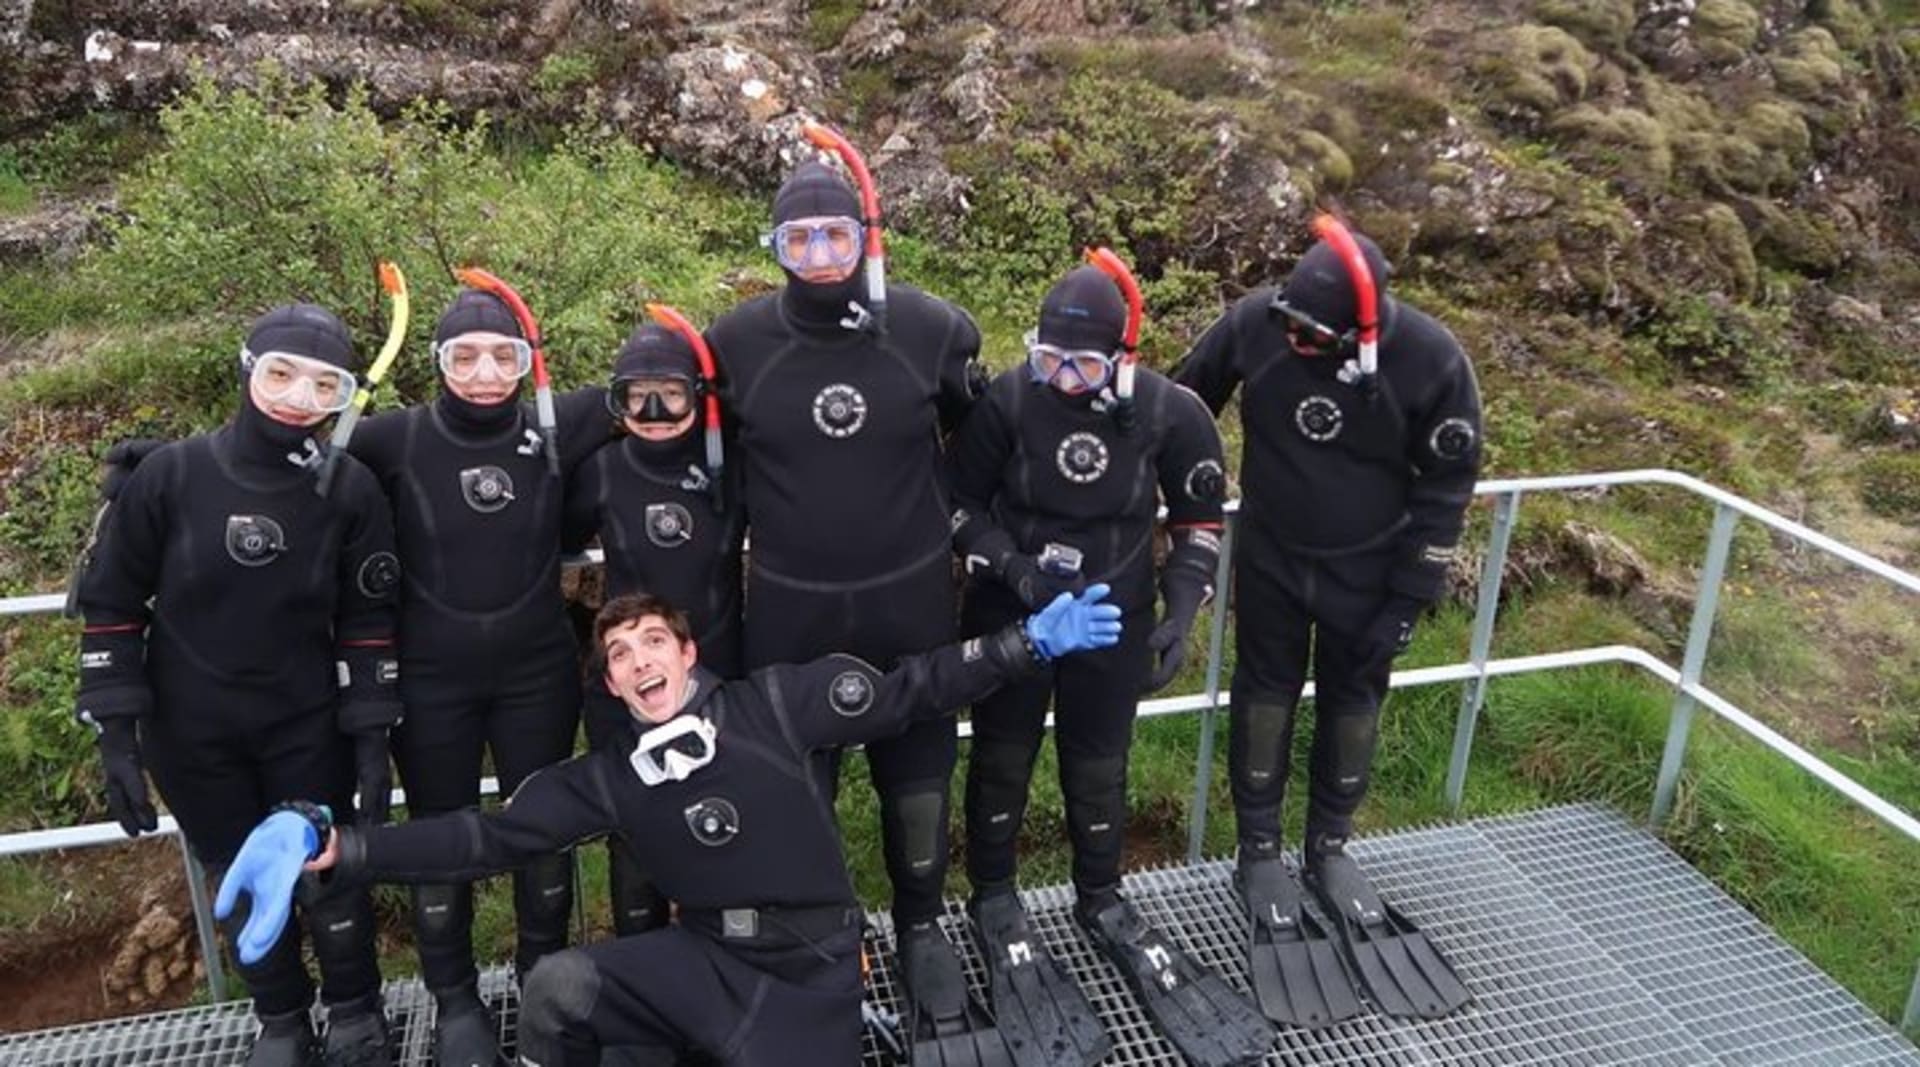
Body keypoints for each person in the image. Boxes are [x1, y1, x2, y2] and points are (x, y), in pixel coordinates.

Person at [215, 586, 1124, 1067]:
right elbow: (483, 838)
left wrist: (1024, 645)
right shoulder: (609, 779)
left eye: (653, 639)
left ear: (688, 654)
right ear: (610, 687)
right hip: (699, 965)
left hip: (806, 972)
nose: (638, 658)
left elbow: (911, 690)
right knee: (558, 987)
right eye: (618, 653)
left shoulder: (775, 704)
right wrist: (335, 839)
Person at [950, 262, 1273, 1067]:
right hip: (1015, 610)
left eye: (1083, 366)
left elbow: (1199, 515)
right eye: (1048, 358)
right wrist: (1016, 572)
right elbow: (957, 503)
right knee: (1000, 756)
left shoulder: (1170, 412)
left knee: (1100, 762)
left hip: (1112, 619)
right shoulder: (1008, 400)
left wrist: (1180, 613)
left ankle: (1101, 894)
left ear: (1121, 360)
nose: (1062, 379)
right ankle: (994, 895)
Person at [703, 156, 991, 1049]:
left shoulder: (929, 327)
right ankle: (821, 933)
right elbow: (669, 427)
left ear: (870, 239)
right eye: (798, 237)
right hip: (790, 608)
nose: (819, 253)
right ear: (773, 246)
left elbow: (976, 426)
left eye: (837, 234)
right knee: (798, 787)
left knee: (918, 777)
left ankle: (919, 924)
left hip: (909, 600)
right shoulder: (735, 341)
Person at [74, 304, 401, 1066]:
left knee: (325, 869)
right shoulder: (171, 475)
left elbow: (368, 619)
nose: (298, 397)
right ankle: (280, 1018)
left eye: (325, 385)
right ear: (247, 367)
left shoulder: (350, 489)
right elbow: (113, 604)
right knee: (240, 872)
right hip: (193, 729)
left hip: (305, 719)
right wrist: (116, 733)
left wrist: (372, 732)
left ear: (345, 397)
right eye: (281, 374)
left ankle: (356, 1009)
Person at [1173, 221, 1482, 1024]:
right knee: (1265, 691)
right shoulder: (1255, 323)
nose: (1296, 340)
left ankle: (1330, 847)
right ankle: (1259, 851)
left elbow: (1450, 477)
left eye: (1316, 334)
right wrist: (1166, 496)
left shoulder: (1431, 358)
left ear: (1363, 335)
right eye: (1290, 322)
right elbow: (1182, 400)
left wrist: (1413, 591)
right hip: (1274, 554)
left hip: (1370, 572)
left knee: (1353, 701)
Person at [346, 287, 613, 1065]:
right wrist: (164, 470)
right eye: (464, 356)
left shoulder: (555, 428)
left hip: (537, 670)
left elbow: (660, 389)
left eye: (506, 356)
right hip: (431, 682)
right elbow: (288, 449)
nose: (486, 373)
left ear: (532, 364)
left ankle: (542, 975)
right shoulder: (397, 438)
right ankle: (455, 999)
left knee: (542, 825)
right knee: (438, 831)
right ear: (436, 364)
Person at [563, 319, 744, 938]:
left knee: (723, 811)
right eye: (635, 396)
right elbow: (542, 542)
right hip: (627, 678)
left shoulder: (730, 464)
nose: (656, 410)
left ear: (700, 394)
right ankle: (641, 957)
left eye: (672, 392)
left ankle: (722, 944)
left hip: (718, 668)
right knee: (634, 821)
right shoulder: (602, 470)